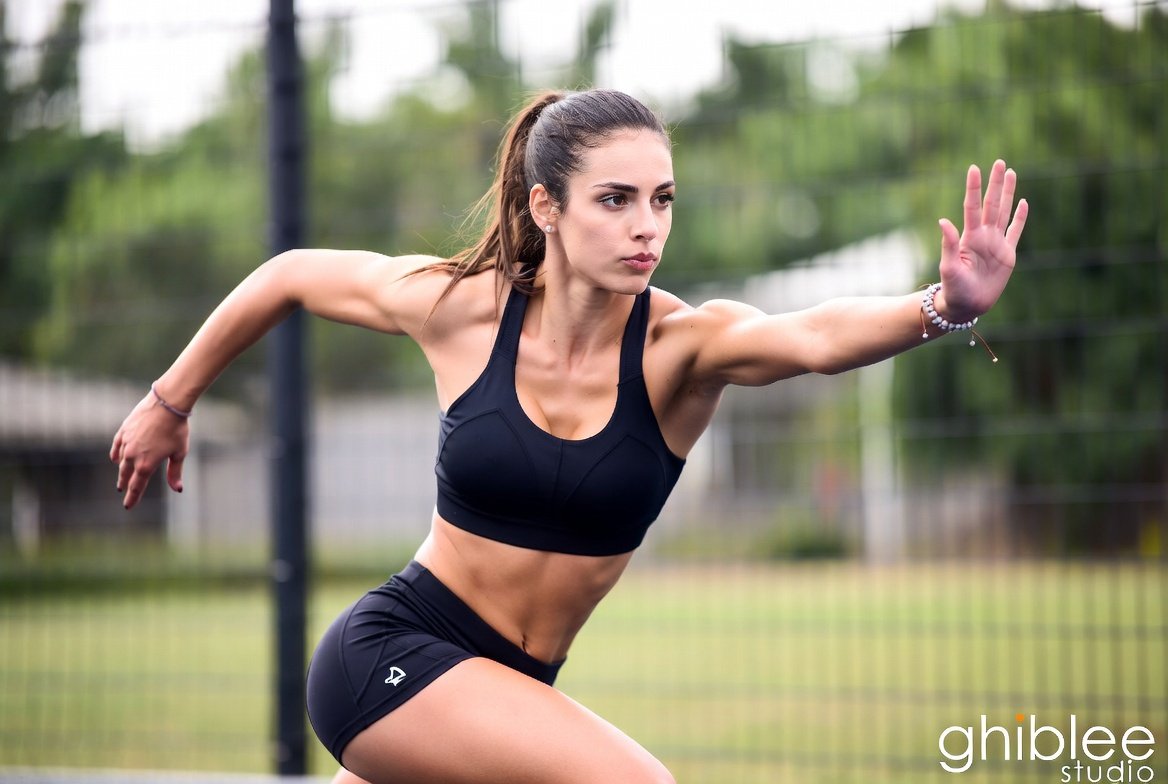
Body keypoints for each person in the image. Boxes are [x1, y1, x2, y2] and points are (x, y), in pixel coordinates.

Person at [111, 88, 1027, 783]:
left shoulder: (681, 350)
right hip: (394, 652)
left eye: (662, 200)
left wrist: (944, 305)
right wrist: (169, 401)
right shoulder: (462, 310)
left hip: (508, 685)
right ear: (547, 206)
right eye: (615, 200)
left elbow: (816, 337)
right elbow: (289, 274)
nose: (647, 228)